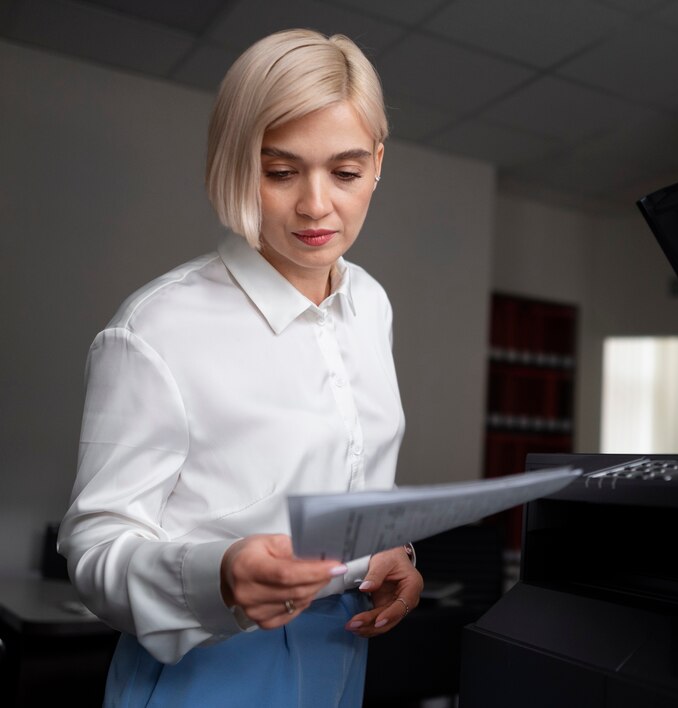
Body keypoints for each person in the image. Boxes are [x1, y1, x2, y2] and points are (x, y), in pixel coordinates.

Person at [57, 28, 422, 707]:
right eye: (281, 171)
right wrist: (216, 577)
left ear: (376, 162)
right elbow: (95, 552)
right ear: (233, 164)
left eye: (345, 172)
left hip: (341, 649)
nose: (317, 205)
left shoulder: (371, 303)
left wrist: (385, 555)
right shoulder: (156, 328)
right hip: (205, 667)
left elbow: (350, 478)